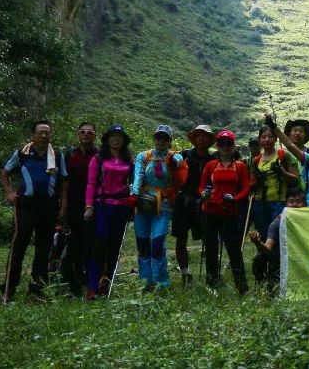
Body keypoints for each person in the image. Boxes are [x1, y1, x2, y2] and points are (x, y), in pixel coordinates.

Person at [0, 120, 68, 303]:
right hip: (26, 205)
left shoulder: (57, 156)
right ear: (33, 135)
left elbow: (64, 183)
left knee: (44, 248)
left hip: (49, 206)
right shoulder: (22, 155)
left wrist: (63, 207)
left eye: (47, 133)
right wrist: (9, 192)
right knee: (18, 245)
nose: (44, 136)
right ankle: (9, 288)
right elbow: (5, 172)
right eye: (40, 133)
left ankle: (36, 290)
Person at [131, 125, 187, 292]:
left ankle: (161, 282)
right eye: (158, 137)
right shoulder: (144, 156)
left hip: (163, 205)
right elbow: (138, 175)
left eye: (165, 138)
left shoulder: (175, 156)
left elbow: (179, 163)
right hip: (142, 202)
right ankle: (146, 281)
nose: (161, 141)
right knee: (143, 244)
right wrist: (134, 195)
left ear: (170, 141)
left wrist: (172, 161)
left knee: (156, 244)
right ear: (154, 138)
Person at [83, 125, 133, 300]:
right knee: (99, 246)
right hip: (102, 205)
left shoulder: (129, 161)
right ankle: (91, 286)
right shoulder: (98, 159)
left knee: (114, 247)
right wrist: (89, 206)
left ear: (124, 140)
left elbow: (132, 184)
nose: (116, 139)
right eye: (113, 136)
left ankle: (106, 284)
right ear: (107, 139)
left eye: (119, 136)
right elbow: (90, 184)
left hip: (121, 206)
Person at [198, 130, 250, 292]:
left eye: (229, 143)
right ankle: (212, 282)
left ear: (234, 146)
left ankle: (242, 286)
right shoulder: (210, 166)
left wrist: (235, 199)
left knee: (234, 249)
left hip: (230, 211)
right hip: (210, 210)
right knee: (211, 247)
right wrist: (203, 194)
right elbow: (201, 186)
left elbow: (245, 188)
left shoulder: (240, 167)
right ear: (217, 146)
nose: (225, 146)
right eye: (222, 143)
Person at [173, 124, 217, 285]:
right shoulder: (184, 156)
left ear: (209, 140)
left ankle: (211, 274)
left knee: (208, 238)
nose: (201, 138)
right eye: (198, 135)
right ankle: (185, 274)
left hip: (205, 202)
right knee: (181, 238)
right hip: (183, 201)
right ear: (194, 138)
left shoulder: (214, 160)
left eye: (205, 136)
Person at [61, 121, 97, 296]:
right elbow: (65, 181)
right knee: (73, 242)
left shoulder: (99, 155)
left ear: (95, 135)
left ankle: (90, 280)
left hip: (94, 204)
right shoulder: (70, 154)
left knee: (90, 243)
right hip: (74, 203)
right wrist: (64, 205)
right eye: (82, 132)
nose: (86, 135)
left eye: (89, 132)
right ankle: (71, 282)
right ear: (78, 134)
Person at [249, 189, 306, 295]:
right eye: (291, 201)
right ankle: (265, 286)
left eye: (299, 201)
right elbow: (267, 248)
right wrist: (257, 242)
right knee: (259, 258)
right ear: (286, 204)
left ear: (305, 204)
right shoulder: (277, 223)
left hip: (305, 257)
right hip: (283, 258)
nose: (294, 205)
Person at [250, 121, 300, 236]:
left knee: (278, 234)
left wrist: (282, 172)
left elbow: (295, 179)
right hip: (259, 202)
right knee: (263, 234)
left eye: (270, 136)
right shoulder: (256, 160)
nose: (267, 140)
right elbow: (251, 185)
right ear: (259, 140)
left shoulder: (284, 155)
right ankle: (265, 254)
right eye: (263, 137)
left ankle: (277, 254)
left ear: (276, 139)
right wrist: (258, 180)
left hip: (279, 201)